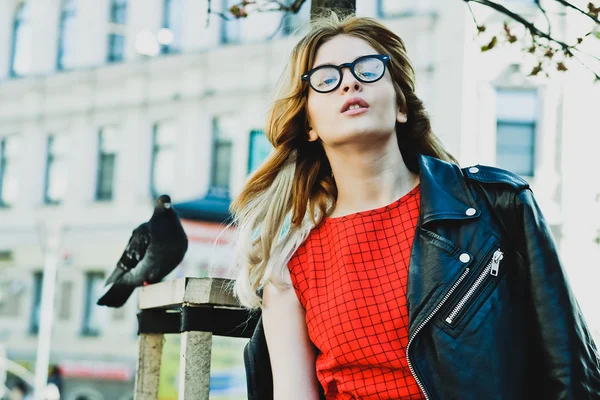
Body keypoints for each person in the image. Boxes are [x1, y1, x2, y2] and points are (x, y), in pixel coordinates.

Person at [230, 12, 600, 400]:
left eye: (368, 69)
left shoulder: (495, 205)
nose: (349, 82)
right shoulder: (289, 261)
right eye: (325, 79)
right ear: (309, 124)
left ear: (401, 105)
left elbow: (570, 370)